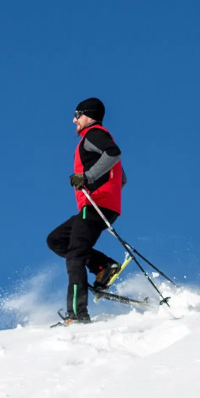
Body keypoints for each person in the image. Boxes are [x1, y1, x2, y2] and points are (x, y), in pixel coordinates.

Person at [45, 97, 126, 323]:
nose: (74, 120)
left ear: (88, 116)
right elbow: (122, 178)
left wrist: (87, 178)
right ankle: (103, 266)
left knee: (75, 255)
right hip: (101, 206)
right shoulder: (97, 138)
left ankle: (77, 315)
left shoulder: (93, 134)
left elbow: (113, 153)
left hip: (95, 205)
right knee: (56, 240)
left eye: (77, 115)